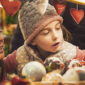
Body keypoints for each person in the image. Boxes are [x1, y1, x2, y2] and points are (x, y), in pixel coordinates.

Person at [2, 0, 85, 77]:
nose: (55, 36)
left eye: (58, 28)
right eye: (46, 33)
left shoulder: (74, 54)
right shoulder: (20, 56)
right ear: (32, 39)